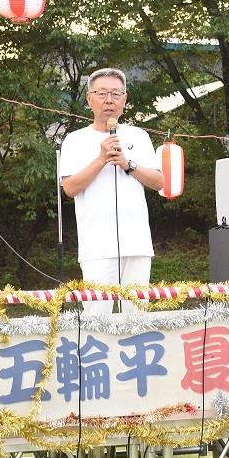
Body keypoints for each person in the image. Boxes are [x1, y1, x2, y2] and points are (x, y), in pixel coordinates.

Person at [59, 68, 164, 314]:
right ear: (89, 99)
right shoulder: (74, 140)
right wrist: (101, 159)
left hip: (137, 241)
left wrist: (129, 164)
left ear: (125, 100)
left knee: (136, 315)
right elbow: (70, 188)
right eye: (102, 93)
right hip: (96, 244)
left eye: (116, 94)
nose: (109, 101)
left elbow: (158, 182)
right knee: (98, 317)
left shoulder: (139, 136)